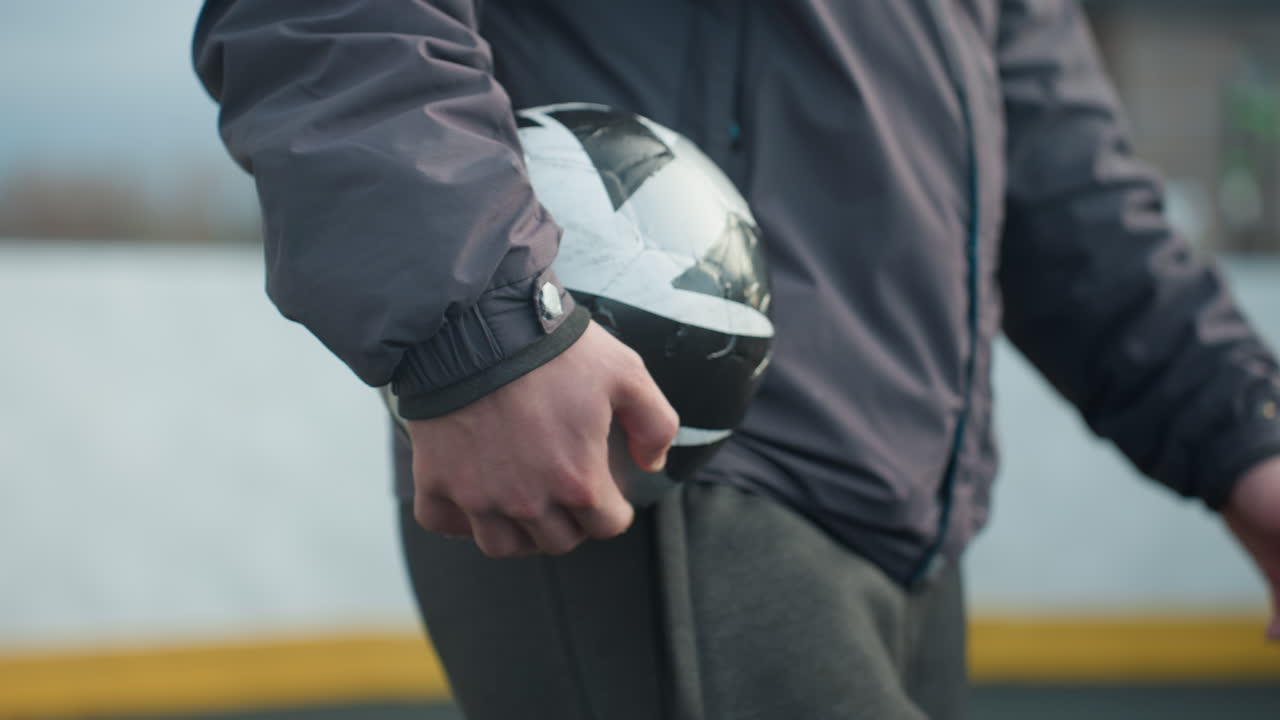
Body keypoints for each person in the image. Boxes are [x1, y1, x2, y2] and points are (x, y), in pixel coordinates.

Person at [193, 1, 1280, 717]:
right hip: (652, 465)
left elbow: (1063, 186)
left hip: (908, 522)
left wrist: (1246, 441)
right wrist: (478, 326)